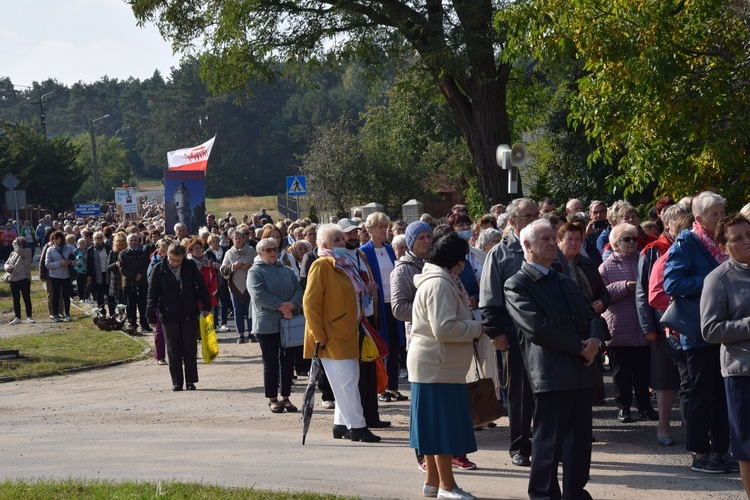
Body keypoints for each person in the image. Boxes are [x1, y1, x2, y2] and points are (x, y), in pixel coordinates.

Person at [504, 219, 604, 500]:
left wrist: (595, 341)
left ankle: (575, 492)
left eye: (552, 238)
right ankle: (544, 495)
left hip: (580, 370)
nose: (551, 243)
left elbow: (589, 314)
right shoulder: (517, 284)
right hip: (551, 374)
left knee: (579, 443)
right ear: (527, 245)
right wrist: (580, 348)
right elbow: (538, 327)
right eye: (545, 239)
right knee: (548, 444)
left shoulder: (564, 280)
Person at [664, 191, 735, 474]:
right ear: (699, 219)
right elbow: (672, 283)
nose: (720, 218)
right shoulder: (688, 242)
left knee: (722, 393)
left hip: (723, 330)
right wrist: (713, 279)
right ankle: (699, 453)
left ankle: (720, 450)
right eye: (714, 214)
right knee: (701, 393)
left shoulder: (723, 243)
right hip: (698, 330)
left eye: (722, 212)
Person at [408, 232, 483, 500]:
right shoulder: (439, 284)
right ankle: (447, 486)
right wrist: (476, 328)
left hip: (434, 364)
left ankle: (432, 481)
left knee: (431, 427)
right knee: (442, 429)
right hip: (437, 365)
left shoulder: (438, 279)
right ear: (456, 261)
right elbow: (443, 328)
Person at [302, 224, 380, 443]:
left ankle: (340, 424)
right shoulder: (321, 265)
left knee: (346, 380)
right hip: (331, 336)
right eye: (335, 240)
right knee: (347, 382)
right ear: (324, 245)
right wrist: (319, 335)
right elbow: (310, 303)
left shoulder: (344, 264)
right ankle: (357, 426)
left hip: (349, 332)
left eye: (341, 239)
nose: (341, 243)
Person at [479, 197, 539, 467]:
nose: (535, 219)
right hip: (516, 337)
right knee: (521, 394)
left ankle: (547, 443)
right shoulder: (500, 254)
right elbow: (490, 297)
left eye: (536, 214)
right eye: (528, 216)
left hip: (548, 335)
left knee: (548, 393)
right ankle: (520, 446)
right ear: (513, 222)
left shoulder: (548, 245)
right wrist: (496, 332)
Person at [635, 203, 692, 445]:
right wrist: (648, 326)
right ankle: (663, 427)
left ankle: (695, 430)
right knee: (664, 381)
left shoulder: (693, 248)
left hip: (690, 326)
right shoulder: (653, 251)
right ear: (668, 223)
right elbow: (643, 291)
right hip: (662, 325)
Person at [701, 214, 750, 494]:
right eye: (737, 239)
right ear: (723, 246)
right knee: (747, 444)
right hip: (742, 371)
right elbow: (710, 329)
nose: (746, 241)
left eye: (749, 234)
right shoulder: (718, 279)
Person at [599, 223, 658, 423]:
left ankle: (645, 407)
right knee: (621, 374)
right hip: (619, 328)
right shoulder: (606, 266)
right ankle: (623, 408)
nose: (632, 242)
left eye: (634, 238)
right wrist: (625, 287)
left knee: (643, 373)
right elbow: (601, 295)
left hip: (641, 327)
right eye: (627, 239)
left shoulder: (643, 259)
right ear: (615, 243)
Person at [247, 237, 304, 413]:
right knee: (270, 362)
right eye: (269, 250)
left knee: (287, 362)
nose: (273, 252)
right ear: (260, 253)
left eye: (275, 249)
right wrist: (282, 306)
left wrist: (291, 305)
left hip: (288, 322)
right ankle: (272, 398)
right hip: (268, 324)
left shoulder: (286, 270)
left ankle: (285, 397)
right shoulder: (254, 272)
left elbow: (299, 290)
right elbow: (259, 295)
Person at [147, 242, 212, 391]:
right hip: (168, 313)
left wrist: (207, 306)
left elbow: (201, 285)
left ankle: (190, 380)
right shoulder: (159, 269)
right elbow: (152, 294)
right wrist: (150, 315)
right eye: (172, 259)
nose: (175, 263)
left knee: (189, 346)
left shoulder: (189, 266)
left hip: (189, 311)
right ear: (166, 255)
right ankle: (177, 381)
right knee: (172, 347)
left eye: (178, 260)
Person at [361, 212, 405, 402]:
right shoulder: (364, 251)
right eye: (380, 227)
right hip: (376, 305)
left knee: (395, 345)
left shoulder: (389, 249)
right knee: (381, 345)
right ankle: (382, 388)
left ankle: (393, 387)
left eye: (385, 227)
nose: (384, 230)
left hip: (393, 302)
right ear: (369, 230)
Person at [220, 225, 258, 343]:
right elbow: (223, 269)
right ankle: (240, 335)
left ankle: (252, 333)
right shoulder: (229, 253)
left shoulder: (251, 251)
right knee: (238, 311)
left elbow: (259, 264)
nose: (238, 240)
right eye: (235, 238)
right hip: (235, 286)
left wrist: (251, 266)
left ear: (244, 238)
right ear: (232, 240)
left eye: (240, 238)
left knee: (250, 310)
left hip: (250, 285)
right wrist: (233, 266)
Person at [119, 233, 151, 334]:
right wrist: (133, 276)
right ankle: (132, 324)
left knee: (143, 304)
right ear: (127, 242)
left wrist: (140, 275)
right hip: (128, 283)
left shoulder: (143, 252)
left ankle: (144, 323)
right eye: (131, 240)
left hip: (142, 282)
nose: (133, 242)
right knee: (130, 304)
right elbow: (122, 268)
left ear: (138, 241)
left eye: (135, 240)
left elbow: (147, 265)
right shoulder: (123, 254)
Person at [45, 230, 76, 323]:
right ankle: (55, 315)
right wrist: (60, 263)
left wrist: (70, 262)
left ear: (61, 238)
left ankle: (67, 313)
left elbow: (76, 261)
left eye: (56, 238)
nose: (54, 240)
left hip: (66, 275)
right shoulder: (50, 250)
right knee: (56, 295)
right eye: (53, 238)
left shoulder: (69, 248)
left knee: (66, 295)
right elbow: (47, 264)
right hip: (55, 276)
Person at [4, 237, 34, 324]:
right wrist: (7, 267)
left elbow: (19, 251)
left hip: (24, 278)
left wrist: (14, 242)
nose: (18, 246)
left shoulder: (27, 251)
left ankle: (29, 316)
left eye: (20, 244)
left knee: (26, 298)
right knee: (15, 299)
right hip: (13, 279)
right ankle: (17, 317)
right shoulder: (13, 253)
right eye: (18, 244)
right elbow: (6, 263)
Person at [86, 231, 113, 316]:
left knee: (110, 295)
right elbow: (88, 263)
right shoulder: (90, 250)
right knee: (99, 295)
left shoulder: (108, 248)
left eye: (101, 237)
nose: (100, 239)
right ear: (94, 239)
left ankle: (112, 313)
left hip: (108, 274)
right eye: (97, 238)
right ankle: (102, 313)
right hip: (97, 275)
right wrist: (89, 275)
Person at [108, 233, 128, 308]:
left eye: (123, 245)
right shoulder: (112, 252)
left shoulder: (127, 252)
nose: (121, 247)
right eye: (120, 245)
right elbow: (108, 266)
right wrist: (115, 264)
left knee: (126, 300)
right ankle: (120, 317)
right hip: (117, 281)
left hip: (127, 279)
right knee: (120, 301)